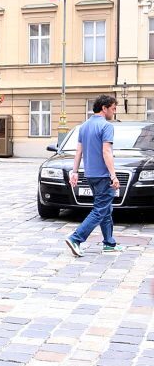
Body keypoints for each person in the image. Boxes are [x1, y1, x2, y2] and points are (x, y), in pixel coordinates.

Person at [65, 94, 124, 256]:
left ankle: (109, 243)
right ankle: (76, 238)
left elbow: (78, 151)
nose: (114, 112)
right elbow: (106, 151)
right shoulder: (106, 126)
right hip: (103, 175)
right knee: (100, 210)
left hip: (90, 175)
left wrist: (75, 172)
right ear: (104, 108)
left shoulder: (84, 126)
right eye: (113, 109)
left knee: (106, 209)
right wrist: (113, 175)